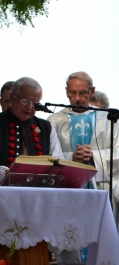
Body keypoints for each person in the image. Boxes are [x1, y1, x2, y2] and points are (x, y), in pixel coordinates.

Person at [47, 72, 119, 239]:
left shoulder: (109, 119)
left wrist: (93, 156)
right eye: (73, 93)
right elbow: (47, 157)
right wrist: (71, 157)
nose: (77, 99)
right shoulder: (54, 121)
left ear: (92, 91)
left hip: (100, 189)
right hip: (68, 190)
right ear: (66, 92)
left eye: (83, 93)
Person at [0, 77, 64, 185]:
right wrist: (8, 174)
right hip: (1, 193)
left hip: (38, 194)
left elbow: (57, 160)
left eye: (35, 103)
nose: (30, 107)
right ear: (12, 97)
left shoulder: (46, 127)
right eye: (25, 101)